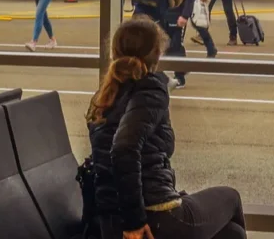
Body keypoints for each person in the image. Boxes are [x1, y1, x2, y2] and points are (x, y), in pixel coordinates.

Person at [87, 18, 247, 239]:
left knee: (232, 234)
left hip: (110, 221)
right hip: (153, 216)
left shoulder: (102, 98)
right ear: (157, 54)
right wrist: (134, 222)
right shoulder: (149, 88)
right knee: (231, 198)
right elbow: (123, 148)